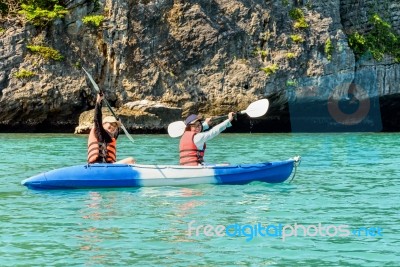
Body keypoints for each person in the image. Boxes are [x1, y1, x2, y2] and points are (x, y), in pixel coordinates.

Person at [87, 93, 136, 164]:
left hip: (108, 166)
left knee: (131, 160)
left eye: (114, 126)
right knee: (131, 160)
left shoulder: (110, 138)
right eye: (111, 124)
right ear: (103, 124)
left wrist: (119, 123)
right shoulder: (99, 133)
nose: (113, 127)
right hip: (97, 166)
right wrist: (98, 101)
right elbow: (97, 119)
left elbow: (116, 133)